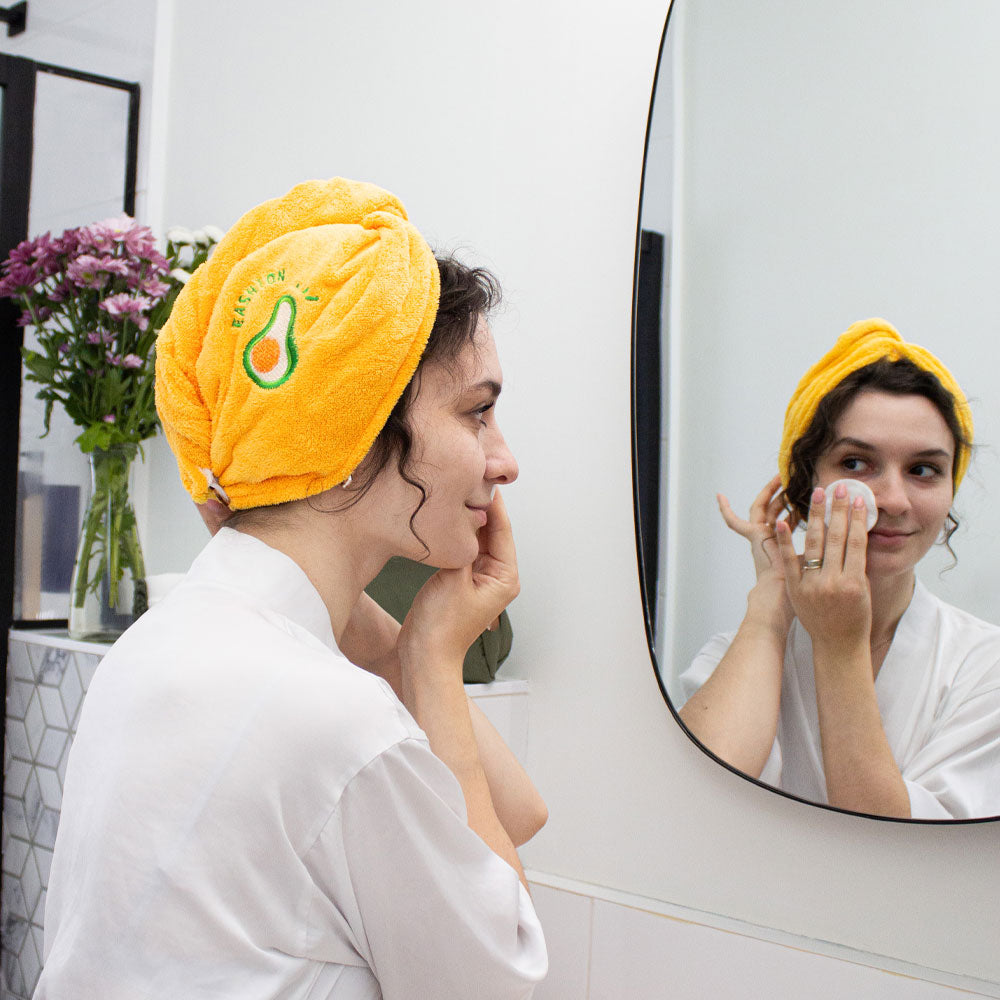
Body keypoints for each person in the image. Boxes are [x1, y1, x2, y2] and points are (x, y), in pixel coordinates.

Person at [37, 178, 548, 998]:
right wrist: (431, 660)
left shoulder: (168, 643)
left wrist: (417, 645)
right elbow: (500, 976)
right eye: (476, 414)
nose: (505, 460)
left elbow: (514, 814)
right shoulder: (332, 720)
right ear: (358, 422)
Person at [679, 318, 1000, 820]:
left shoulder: (985, 668)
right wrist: (771, 603)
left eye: (923, 470)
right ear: (804, 486)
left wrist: (840, 645)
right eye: (855, 463)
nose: (893, 500)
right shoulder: (737, 655)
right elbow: (691, 805)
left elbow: (902, 848)